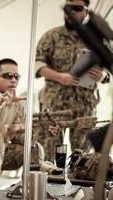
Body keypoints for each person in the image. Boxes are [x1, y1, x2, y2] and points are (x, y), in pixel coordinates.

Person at [34, 0, 111, 161]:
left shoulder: (98, 39)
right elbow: (38, 65)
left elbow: (109, 69)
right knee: (49, 157)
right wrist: (60, 77)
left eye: (77, 9)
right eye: (69, 9)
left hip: (85, 106)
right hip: (55, 107)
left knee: (83, 158)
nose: (73, 13)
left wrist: (102, 76)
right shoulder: (51, 36)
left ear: (86, 11)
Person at [0, 58, 54, 171]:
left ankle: (32, 185)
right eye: (8, 75)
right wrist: (2, 98)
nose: (13, 80)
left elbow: (16, 135)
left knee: (35, 148)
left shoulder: (17, 103)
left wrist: (39, 131)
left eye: (16, 76)